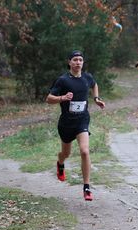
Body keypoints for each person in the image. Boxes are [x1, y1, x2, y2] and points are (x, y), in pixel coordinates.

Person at [46, 50, 105, 201]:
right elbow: (49, 99)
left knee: (85, 151)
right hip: (66, 123)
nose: (78, 62)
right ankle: (60, 163)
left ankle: (86, 187)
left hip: (82, 120)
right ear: (69, 62)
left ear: (83, 63)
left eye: (80, 60)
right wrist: (62, 98)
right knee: (65, 154)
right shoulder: (63, 80)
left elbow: (94, 84)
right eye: (75, 60)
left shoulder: (87, 77)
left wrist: (96, 98)